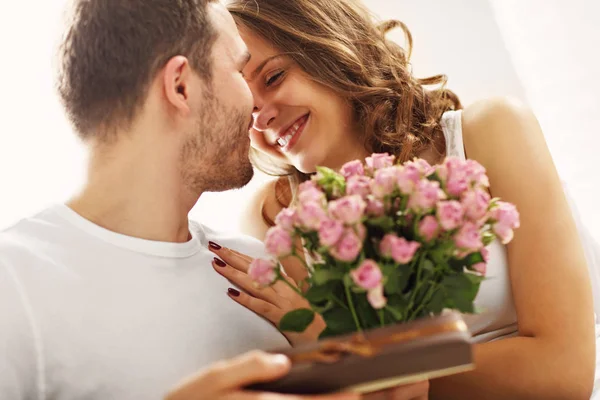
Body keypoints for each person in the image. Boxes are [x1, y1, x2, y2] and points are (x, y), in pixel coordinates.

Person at [0, 1, 429, 399]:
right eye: (239, 73)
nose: (256, 111)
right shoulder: (13, 283)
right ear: (181, 86)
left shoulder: (261, 271)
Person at [209, 0, 600, 398]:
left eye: (273, 77)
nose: (261, 119)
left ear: (329, 48)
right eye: (247, 106)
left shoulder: (488, 131)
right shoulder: (276, 218)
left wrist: (364, 364)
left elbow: (564, 372)